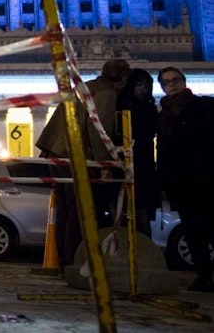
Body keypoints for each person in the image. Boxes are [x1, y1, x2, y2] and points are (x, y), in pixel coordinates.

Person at [36, 58, 130, 270]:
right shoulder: (107, 93)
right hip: (77, 156)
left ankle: (62, 261)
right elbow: (98, 130)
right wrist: (104, 164)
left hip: (56, 152)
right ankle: (73, 262)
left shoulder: (85, 87)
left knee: (64, 209)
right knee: (79, 211)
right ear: (123, 79)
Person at [156, 67, 214, 292]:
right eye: (167, 82)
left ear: (183, 81)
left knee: (209, 227)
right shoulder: (163, 114)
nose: (172, 85)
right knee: (192, 231)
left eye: (175, 80)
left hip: (204, 177)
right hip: (179, 181)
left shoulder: (203, 106)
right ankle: (204, 276)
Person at [116, 68, 158, 239]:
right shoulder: (120, 105)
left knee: (143, 218)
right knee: (121, 215)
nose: (142, 89)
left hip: (143, 167)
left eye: (146, 85)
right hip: (122, 165)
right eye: (138, 84)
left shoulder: (149, 108)